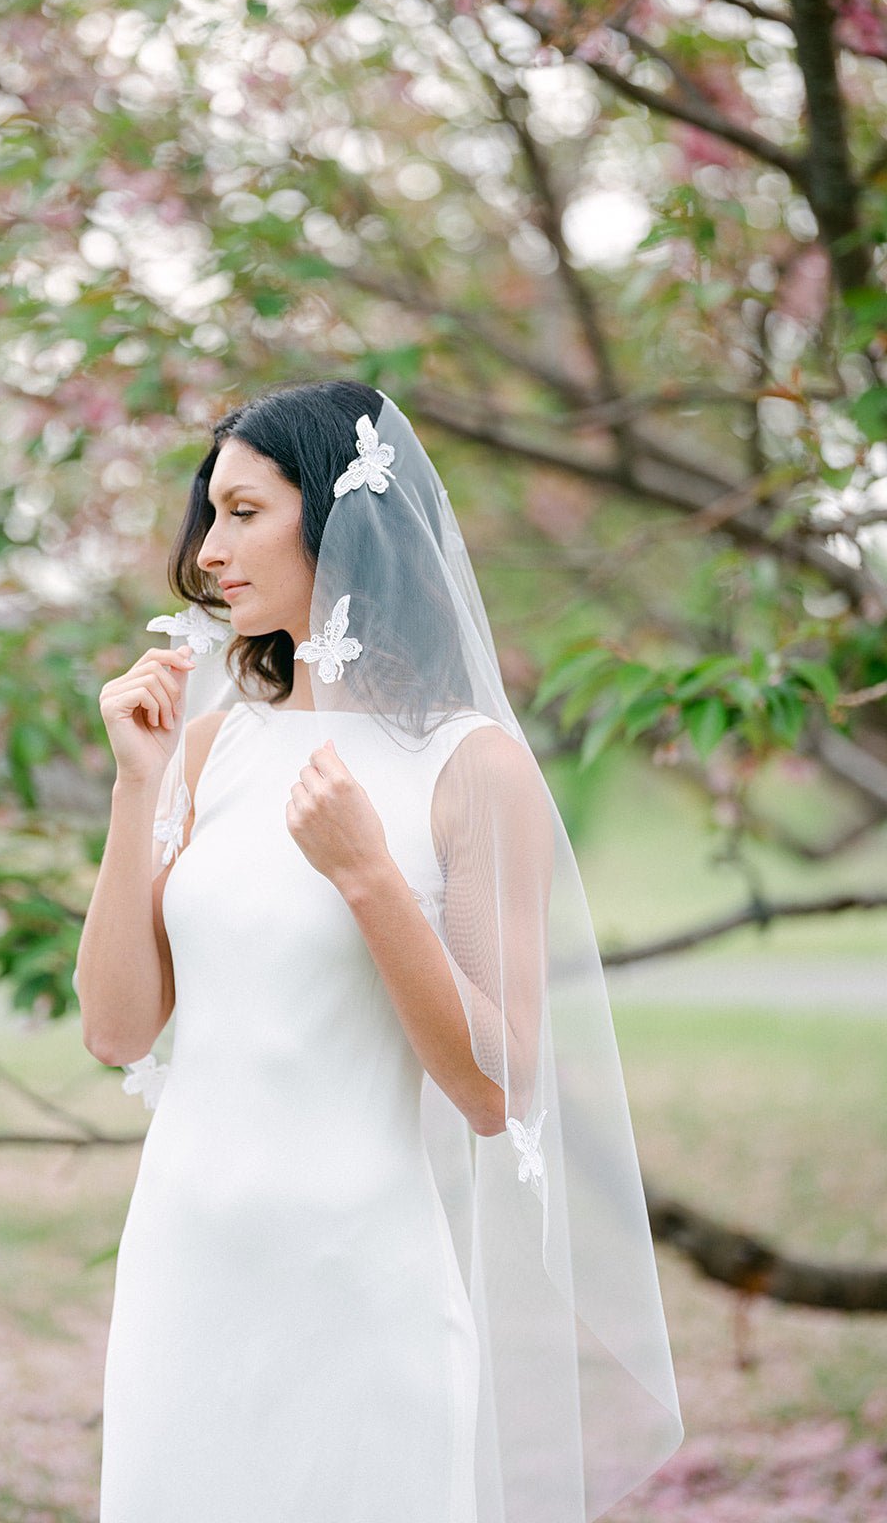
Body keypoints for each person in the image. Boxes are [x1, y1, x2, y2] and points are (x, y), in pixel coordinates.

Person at [76, 379, 683, 1523]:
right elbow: (115, 1028)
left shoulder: (471, 768)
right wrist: (137, 785)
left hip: (360, 1277)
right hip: (183, 1266)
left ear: (343, 518)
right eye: (209, 515)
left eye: (245, 512)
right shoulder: (204, 749)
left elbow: (496, 1086)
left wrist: (366, 876)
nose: (209, 550)